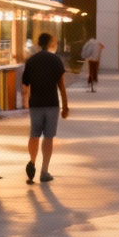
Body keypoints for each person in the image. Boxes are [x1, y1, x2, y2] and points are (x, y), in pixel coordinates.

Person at [22, 32, 69, 184]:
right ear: (50, 43)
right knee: (48, 137)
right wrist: (65, 106)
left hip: (35, 103)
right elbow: (61, 85)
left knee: (34, 134)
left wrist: (26, 100)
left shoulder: (31, 60)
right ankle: (44, 171)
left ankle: (32, 161)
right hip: (51, 104)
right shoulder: (56, 60)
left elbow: (25, 85)